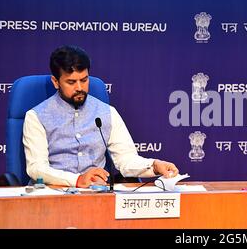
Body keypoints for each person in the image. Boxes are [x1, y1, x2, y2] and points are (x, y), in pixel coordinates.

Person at [22, 45, 179, 188]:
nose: (79, 88)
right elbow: (37, 168)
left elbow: (125, 159)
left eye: (84, 80)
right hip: (54, 192)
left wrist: (154, 165)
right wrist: (77, 180)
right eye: (71, 82)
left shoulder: (107, 113)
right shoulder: (36, 116)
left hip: (96, 193)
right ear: (56, 82)